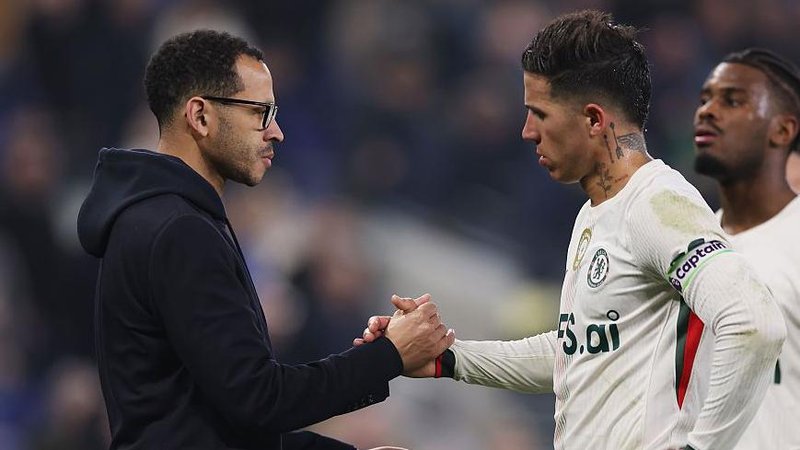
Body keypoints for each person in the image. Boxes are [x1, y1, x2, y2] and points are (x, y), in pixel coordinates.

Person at [357, 10, 786, 450]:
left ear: (595, 120)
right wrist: (448, 358)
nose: (527, 132)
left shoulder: (657, 204)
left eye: (538, 114)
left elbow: (755, 324)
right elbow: (574, 353)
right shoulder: (597, 213)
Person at [76, 30, 454, 450]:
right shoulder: (179, 229)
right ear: (200, 116)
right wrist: (388, 356)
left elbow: (217, 424)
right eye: (261, 112)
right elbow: (259, 400)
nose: (276, 132)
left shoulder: (166, 217)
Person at [693, 48, 800, 450]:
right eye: (705, 98)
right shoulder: (688, 247)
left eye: (732, 100)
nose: (707, 111)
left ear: (782, 131)